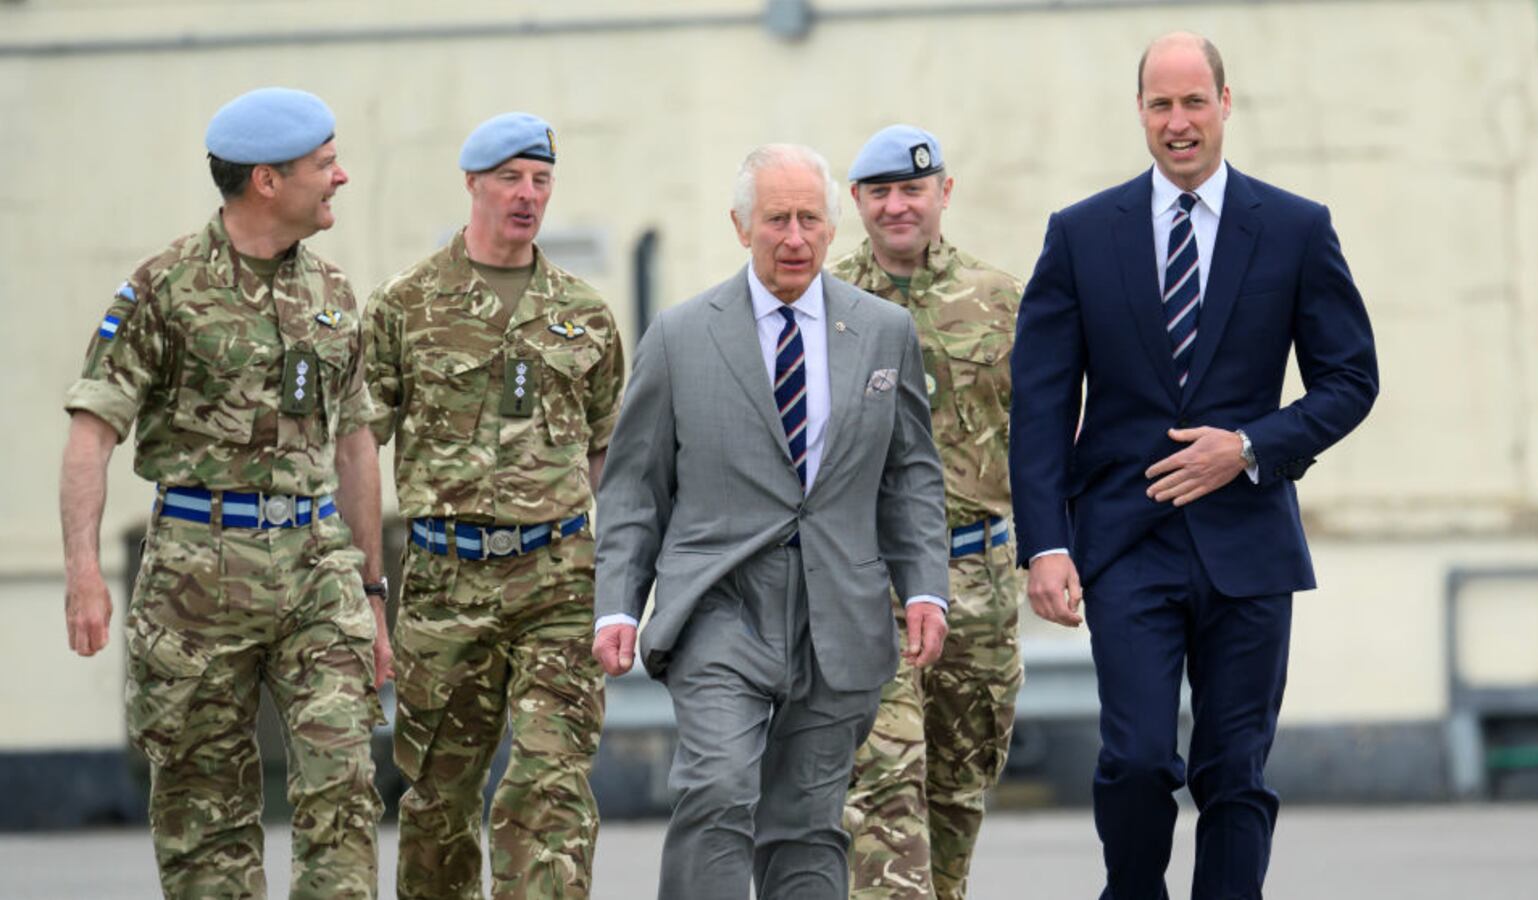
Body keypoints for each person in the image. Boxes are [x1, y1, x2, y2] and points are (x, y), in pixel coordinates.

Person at [1009, 33, 1379, 900]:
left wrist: (1249, 446)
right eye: (1161, 105)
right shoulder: (1080, 235)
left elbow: (1351, 379)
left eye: (1194, 102)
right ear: (1141, 112)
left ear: (1225, 103)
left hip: (1249, 543)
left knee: (1235, 772)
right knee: (1136, 760)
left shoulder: (1293, 229)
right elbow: (1041, 406)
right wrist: (1046, 546)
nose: (1179, 122)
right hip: (1125, 544)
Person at [592, 143, 950, 900]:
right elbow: (634, 488)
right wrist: (620, 600)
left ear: (831, 227)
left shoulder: (884, 332)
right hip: (722, 601)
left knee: (808, 823)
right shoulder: (681, 336)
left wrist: (926, 588)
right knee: (718, 791)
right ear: (740, 226)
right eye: (776, 220)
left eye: (809, 220)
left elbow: (910, 473)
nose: (794, 238)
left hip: (839, 610)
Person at [59, 87, 389, 898]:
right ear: (267, 181)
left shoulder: (336, 296)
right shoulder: (163, 290)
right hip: (196, 577)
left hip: (317, 567)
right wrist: (83, 573)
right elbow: (91, 435)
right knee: (205, 812)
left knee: (343, 787)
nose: (341, 176)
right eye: (325, 164)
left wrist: (374, 593)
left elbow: (355, 447)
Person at [362, 112, 623, 899]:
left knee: (548, 787)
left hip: (559, 580)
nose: (527, 195)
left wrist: (601, 557)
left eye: (541, 180)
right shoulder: (404, 307)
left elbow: (609, 447)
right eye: (510, 177)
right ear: (472, 183)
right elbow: (353, 448)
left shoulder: (584, 312)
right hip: (445, 579)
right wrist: (367, 585)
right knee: (439, 800)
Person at [830, 124, 1023, 900]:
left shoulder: (1001, 300)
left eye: (913, 189)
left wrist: (1058, 552)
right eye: (881, 192)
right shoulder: (827, 303)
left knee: (957, 784)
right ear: (857, 203)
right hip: (867, 581)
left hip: (976, 573)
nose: (898, 206)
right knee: (882, 782)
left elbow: (1050, 438)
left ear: (945, 193)